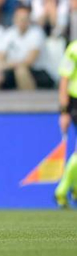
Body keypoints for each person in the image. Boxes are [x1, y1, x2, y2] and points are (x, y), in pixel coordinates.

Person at [55, 39, 77, 208]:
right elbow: (64, 80)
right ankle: (63, 189)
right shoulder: (74, 49)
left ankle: (72, 188)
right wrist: (64, 111)